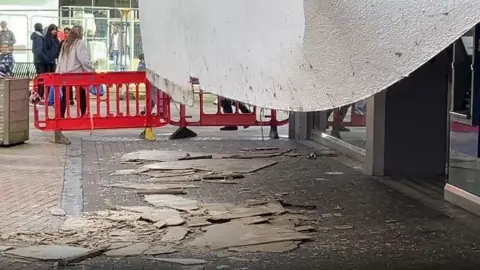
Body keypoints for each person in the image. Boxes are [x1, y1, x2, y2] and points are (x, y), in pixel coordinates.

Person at [55, 25, 94, 144]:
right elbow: (83, 59)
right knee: (82, 93)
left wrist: (58, 72)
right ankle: (83, 115)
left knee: (66, 98)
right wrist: (91, 70)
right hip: (76, 73)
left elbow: (60, 59)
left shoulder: (66, 42)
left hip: (65, 73)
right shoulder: (79, 43)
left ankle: (61, 117)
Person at [31, 23, 50, 99]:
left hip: (38, 61)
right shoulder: (39, 38)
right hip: (40, 62)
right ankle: (40, 96)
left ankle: (40, 95)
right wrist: (45, 58)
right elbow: (39, 51)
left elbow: (35, 50)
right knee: (41, 80)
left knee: (40, 79)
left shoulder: (36, 37)